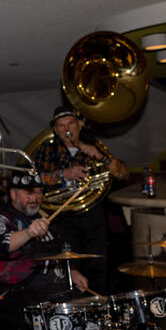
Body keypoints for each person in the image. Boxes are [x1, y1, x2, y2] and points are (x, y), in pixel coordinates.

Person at [0, 170, 89, 330]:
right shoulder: (3, 219)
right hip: (12, 293)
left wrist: (72, 271)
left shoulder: (44, 218)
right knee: (49, 316)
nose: (35, 198)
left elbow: (58, 253)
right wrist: (29, 233)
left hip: (51, 290)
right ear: (13, 194)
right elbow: (0, 246)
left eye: (38, 193)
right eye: (28, 193)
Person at [33, 105, 129, 293]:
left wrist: (101, 157)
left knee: (97, 267)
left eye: (70, 124)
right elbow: (35, 178)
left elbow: (123, 175)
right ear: (55, 129)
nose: (66, 129)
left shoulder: (95, 146)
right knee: (69, 269)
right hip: (63, 217)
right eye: (61, 126)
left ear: (79, 125)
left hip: (93, 215)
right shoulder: (47, 149)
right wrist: (64, 174)